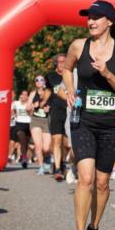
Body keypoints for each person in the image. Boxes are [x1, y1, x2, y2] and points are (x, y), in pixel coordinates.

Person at [62, 0, 115, 230]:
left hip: (111, 122)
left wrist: (107, 74)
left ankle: (94, 229)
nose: (90, 21)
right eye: (88, 17)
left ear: (109, 22)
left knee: (102, 183)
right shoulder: (79, 46)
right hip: (84, 120)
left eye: (96, 17)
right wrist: (70, 89)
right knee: (87, 177)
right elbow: (67, 69)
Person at [46, 53, 70, 181]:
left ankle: (63, 162)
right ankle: (57, 168)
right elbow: (47, 92)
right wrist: (42, 104)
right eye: (60, 62)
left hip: (69, 111)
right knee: (57, 140)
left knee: (67, 144)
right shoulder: (50, 76)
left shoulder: (70, 75)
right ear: (55, 63)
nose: (63, 64)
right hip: (56, 110)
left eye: (65, 62)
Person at [28, 75, 52, 173]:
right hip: (35, 120)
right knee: (38, 146)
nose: (39, 81)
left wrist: (49, 109)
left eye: (41, 80)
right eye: (36, 80)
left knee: (46, 148)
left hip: (47, 121)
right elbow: (27, 108)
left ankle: (47, 157)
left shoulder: (49, 93)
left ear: (44, 81)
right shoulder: (33, 94)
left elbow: (54, 105)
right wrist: (34, 105)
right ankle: (41, 167)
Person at [11, 90, 31, 168]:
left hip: (28, 124)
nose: (24, 96)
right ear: (20, 96)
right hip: (19, 124)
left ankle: (23, 157)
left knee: (26, 143)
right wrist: (14, 114)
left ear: (28, 97)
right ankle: (24, 158)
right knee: (22, 141)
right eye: (22, 94)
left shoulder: (30, 104)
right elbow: (12, 111)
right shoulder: (16, 103)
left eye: (26, 95)